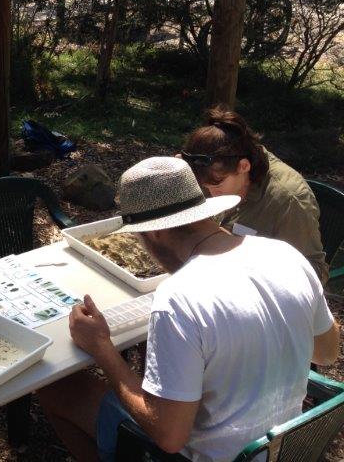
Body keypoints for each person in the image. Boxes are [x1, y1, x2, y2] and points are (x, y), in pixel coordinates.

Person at [38, 156, 339, 462]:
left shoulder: (178, 300)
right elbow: (327, 353)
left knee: (55, 390)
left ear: (153, 232)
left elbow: (169, 436)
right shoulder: (285, 255)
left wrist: (103, 349)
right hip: (282, 450)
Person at [181, 106, 327, 284]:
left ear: (244, 166)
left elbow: (314, 275)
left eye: (217, 184)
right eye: (205, 186)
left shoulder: (288, 200)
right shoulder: (214, 170)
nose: (211, 194)